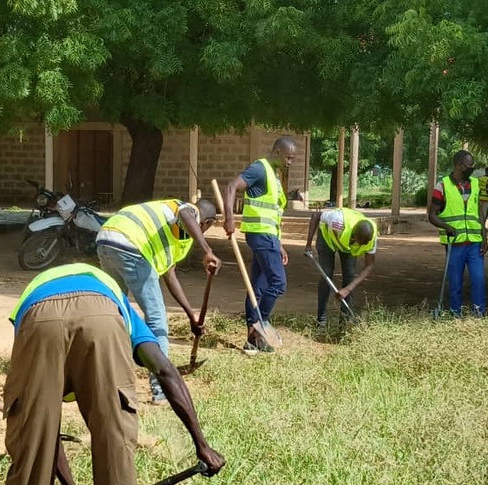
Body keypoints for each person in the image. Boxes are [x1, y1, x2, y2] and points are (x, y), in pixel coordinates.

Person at [0, 263, 225, 485]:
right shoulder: (117, 303)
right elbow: (164, 370)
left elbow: (46, 435)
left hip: (38, 319)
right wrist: (201, 444)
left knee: (32, 435)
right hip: (103, 320)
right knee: (115, 441)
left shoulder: (37, 293)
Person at [95, 199, 221, 405]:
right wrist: (207, 250)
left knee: (115, 313)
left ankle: (105, 379)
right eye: (206, 228)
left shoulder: (181, 239)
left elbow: (170, 276)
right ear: (206, 223)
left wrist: (192, 316)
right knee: (157, 321)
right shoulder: (187, 210)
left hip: (106, 240)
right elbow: (186, 215)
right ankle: (161, 390)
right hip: (129, 244)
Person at [223, 136, 295, 353]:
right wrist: (229, 218)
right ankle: (260, 326)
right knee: (278, 282)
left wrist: (279, 243)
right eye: (289, 158)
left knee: (258, 287)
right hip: (260, 236)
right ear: (279, 152)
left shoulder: (273, 175)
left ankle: (252, 340)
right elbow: (231, 187)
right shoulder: (260, 168)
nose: (290, 162)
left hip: (268, 236)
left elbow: (272, 214)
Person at [427, 150, 488, 317]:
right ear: (459, 165)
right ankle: (455, 314)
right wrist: (446, 227)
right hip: (454, 244)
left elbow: (479, 213)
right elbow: (432, 216)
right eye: (469, 165)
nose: (472, 169)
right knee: (455, 283)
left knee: (479, 280)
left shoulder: (475, 184)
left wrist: (485, 237)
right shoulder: (442, 186)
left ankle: (479, 314)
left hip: (474, 243)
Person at [304, 207, 378, 327]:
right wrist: (308, 245)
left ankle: (345, 321)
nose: (362, 245)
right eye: (360, 242)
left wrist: (348, 289)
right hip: (328, 238)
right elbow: (315, 216)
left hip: (348, 247)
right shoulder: (337, 220)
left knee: (349, 277)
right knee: (326, 275)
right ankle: (321, 320)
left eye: (364, 243)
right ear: (354, 235)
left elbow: (369, 266)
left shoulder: (371, 239)